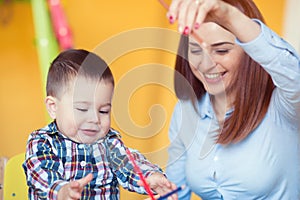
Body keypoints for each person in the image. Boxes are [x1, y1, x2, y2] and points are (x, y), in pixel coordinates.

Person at [164, 0, 300, 199]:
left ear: (250, 52)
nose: (205, 64)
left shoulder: (283, 108)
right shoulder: (187, 111)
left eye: (221, 50)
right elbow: (175, 191)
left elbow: (293, 74)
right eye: (195, 51)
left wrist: (229, 15)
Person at [22, 49, 177, 200]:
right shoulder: (42, 142)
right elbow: (42, 179)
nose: (95, 119)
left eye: (103, 111)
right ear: (53, 107)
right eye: (82, 109)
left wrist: (151, 177)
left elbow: (130, 165)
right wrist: (62, 192)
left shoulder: (108, 143)